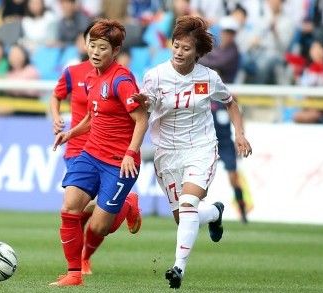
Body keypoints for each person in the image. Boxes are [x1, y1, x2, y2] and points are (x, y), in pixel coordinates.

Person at [132, 15, 252, 289]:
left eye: (186, 49)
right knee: (184, 217)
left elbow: (231, 103)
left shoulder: (209, 78)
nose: (179, 52)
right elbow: (144, 111)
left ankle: (178, 269)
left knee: (187, 206)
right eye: (176, 46)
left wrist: (240, 134)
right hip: (166, 152)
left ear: (197, 53)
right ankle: (214, 214)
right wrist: (143, 104)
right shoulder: (155, 76)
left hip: (201, 147)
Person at [50, 19, 149, 286]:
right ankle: (73, 274)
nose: (95, 51)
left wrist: (131, 152)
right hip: (91, 154)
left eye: (102, 47)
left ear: (115, 51)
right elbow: (96, 116)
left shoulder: (121, 79)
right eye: (92, 45)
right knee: (69, 208)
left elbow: (142, 119)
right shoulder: (91, 76)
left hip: (119, 163)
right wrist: (71, 133)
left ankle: (128, 204)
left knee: (98, 227)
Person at [199, 16, 249, 223]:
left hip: (225, 142)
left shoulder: (233, 54)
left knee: (233, 177)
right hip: (207, 142)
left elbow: (210, 60)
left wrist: (240, 135)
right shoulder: (203, 96)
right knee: (201, 183)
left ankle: (244, 212)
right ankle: (201, 212)